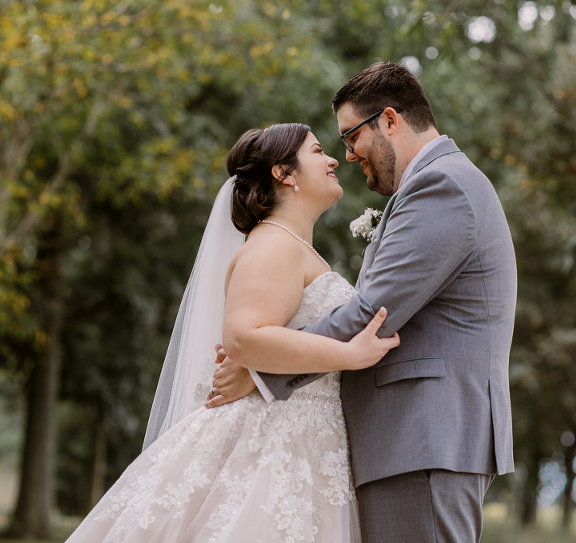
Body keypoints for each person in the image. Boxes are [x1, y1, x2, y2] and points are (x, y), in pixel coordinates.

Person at [207, 62, 518, 543]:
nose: (347, 155)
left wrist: (259, 368)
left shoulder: (441, 185)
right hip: (412, 442)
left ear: (389, 121)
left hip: (421, 438)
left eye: (351, 136)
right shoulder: (436, 184)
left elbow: (373, 313)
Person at [63, 123, 399, 543]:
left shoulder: (292, 246)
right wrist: (350, 355)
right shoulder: (274, 245)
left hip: (305, 437)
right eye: (317, 151)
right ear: (283, 173)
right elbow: (243, 338)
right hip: (273, 438)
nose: (334, 159)